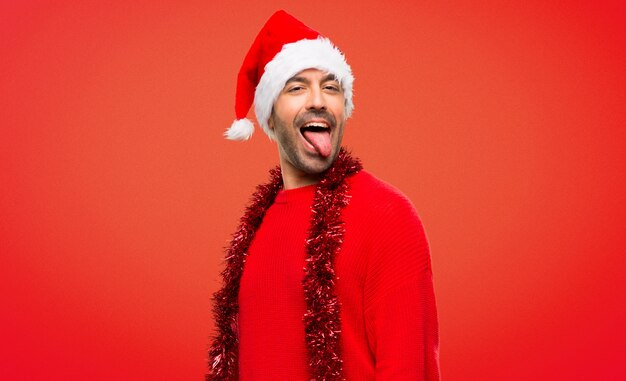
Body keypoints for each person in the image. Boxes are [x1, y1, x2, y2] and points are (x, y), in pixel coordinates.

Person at [207, 10, 439, 381]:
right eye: (297, 87)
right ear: (269, 116)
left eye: (331, 88)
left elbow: (409, 368)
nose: (318, 100)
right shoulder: (256, 227)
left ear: (343, 109)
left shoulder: (387, 215)